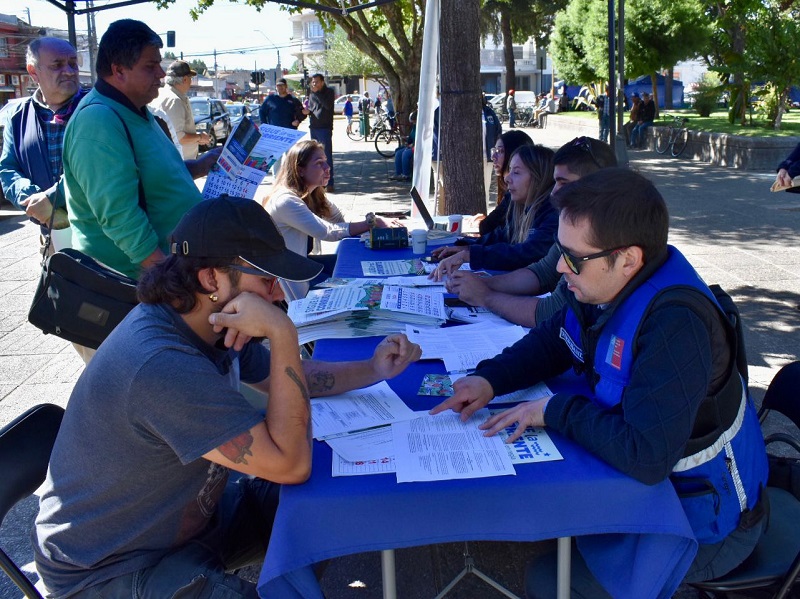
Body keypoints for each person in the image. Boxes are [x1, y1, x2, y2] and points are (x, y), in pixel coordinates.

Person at [33, 195, 422, 599]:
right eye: (266, 279)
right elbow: (291, 465)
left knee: (331, 500)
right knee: (305, 480)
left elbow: (290, 378)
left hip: (186, 527)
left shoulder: (208, 321)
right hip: (108, 570)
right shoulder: (162, 365)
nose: (278, 295)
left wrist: (373, 369)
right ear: (210, 279)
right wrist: (283, 332)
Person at [432, 168, 768, 599]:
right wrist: (488, 379)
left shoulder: (675, 325)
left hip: (701, 523)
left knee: (549, 581)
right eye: (561, 251)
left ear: (627, 258)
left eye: (572, 257)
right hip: (650, 497)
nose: (559, 267)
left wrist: (553, 411)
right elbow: (557, 338)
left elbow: (645, 456)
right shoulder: (600, 282)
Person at [63, 19, 217, 281]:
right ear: (119, 70)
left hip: (172, 266)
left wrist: (200, 166)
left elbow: (153, 177)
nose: (161, 73)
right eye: (151, 66)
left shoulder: (136, 109)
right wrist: (167, 276)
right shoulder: (98, 121)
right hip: (138, 283)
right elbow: (120, 218)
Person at [445, 136, 617, 327]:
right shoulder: (576, 225)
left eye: (564, 183)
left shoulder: (604, 236)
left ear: (598, 186)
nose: (554, 193)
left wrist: (486, 296)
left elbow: (549, 312)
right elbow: (543, 272)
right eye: (554, 182)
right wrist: (483, 284)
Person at [261, 139, 392, 299]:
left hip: (302, 263)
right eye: (319, 163)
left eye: (326, 161)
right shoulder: (285, 200)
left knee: (355, 265)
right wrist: (371, 224)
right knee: (355, 286)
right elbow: (327, 232)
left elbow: (340, 218)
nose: (327, 168)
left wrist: (373, 220)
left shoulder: (313, 192)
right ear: (300, 170)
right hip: (291, 278)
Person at [0, 37, 88, 238]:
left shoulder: (96, 108)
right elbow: (8, 170)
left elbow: (102, 167)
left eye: (73, 63)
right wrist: (33, 198)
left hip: (105, 234)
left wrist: (52, 199)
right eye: (57, 65)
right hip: (52, 235)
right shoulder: (18, 118)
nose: (69, 71)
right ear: (33, 72)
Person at [430, 144, 557, 276]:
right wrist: (465, 248)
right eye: (510, 170)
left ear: (539, 178)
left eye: (517, 172)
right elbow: (501, 236)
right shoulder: (521, 207)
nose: (507, 178)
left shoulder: (553, 214)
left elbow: (527, 253)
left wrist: (470, 255)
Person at [473, 129, 533, 236]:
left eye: (500, 151)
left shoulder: (523, 193)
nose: (493, 157)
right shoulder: (506, 187)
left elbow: (488, 227)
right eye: (494, 151)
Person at [148, 60, 210, 160]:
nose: (191, 81)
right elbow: (179, 137)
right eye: (190, 78)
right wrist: (200, 137)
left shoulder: (160, 93)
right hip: (180, 162)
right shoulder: (174, 100)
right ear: (185, 79)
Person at [258, 77, 306, 177]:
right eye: (278, 86)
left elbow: (302, 113)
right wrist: (264, 125)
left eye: (282, 85)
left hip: (290, 135)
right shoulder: (271, 99)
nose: (280, 87)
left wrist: (298, 120)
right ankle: (276, 182)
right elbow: (262, 111)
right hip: (275, 135)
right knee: (276, 161)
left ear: (286, 86)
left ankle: (291, 180)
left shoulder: (293, 100)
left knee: (291, 160)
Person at [302, 73, 336, 192]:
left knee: (326, 156)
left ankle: (330, 182)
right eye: (313, 82)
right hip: (314, 128)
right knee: (315, 157)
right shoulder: (312, 94)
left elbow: (327, 106)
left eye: (316, 82)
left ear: (322, 82)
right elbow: (313, 110)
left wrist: (317, 92)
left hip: (324, 128)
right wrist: (307, 112)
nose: (314, 84)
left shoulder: (329, 92)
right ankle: (319, 183)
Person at [481, 94, 503, 207]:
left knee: (485, 186)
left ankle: (483, 212)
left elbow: (498, 130)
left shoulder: (489, 112)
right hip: (471, 158)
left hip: (487, 157)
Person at [389, 111, 416, 182]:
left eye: (414, 122)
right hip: (411, 145)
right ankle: (399, 173)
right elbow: (411, 137)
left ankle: (406, 175)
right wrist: (406, 138)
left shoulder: (421, 127)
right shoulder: (414, 127)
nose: (413, 123)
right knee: (398, 151)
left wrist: (412, 144)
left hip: (416, 147)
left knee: (405, 153)